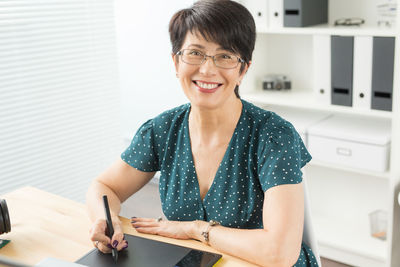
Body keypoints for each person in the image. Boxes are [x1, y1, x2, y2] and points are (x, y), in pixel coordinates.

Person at [86, 0, 319, 266]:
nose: (207, 69)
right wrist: (104, 219)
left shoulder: (273, 136)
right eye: (195, 53)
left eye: (225, 56)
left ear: (243, 69)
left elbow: (280, 253)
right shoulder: (162, 129)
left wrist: (196, 229)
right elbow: (104, 187)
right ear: (176, 62)